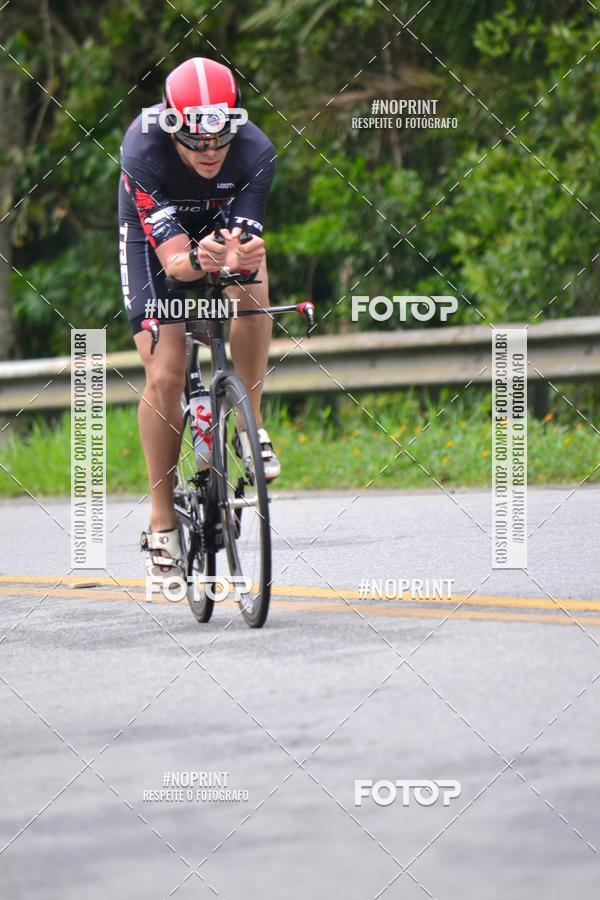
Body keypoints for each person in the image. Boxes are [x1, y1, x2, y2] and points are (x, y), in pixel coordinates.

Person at [118, 56, 279, 586]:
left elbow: (243, 244)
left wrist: (239, 254)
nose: (210, 152)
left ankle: (248, 424)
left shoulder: (256, 151)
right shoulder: (142, 149)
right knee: (165, 375)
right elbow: (174, 263)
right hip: (155, 242)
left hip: (218, 220)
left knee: (252, 285)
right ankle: (162, 520)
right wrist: (197, 259)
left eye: (220, 139)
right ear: (172, 128)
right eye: (194, 141)